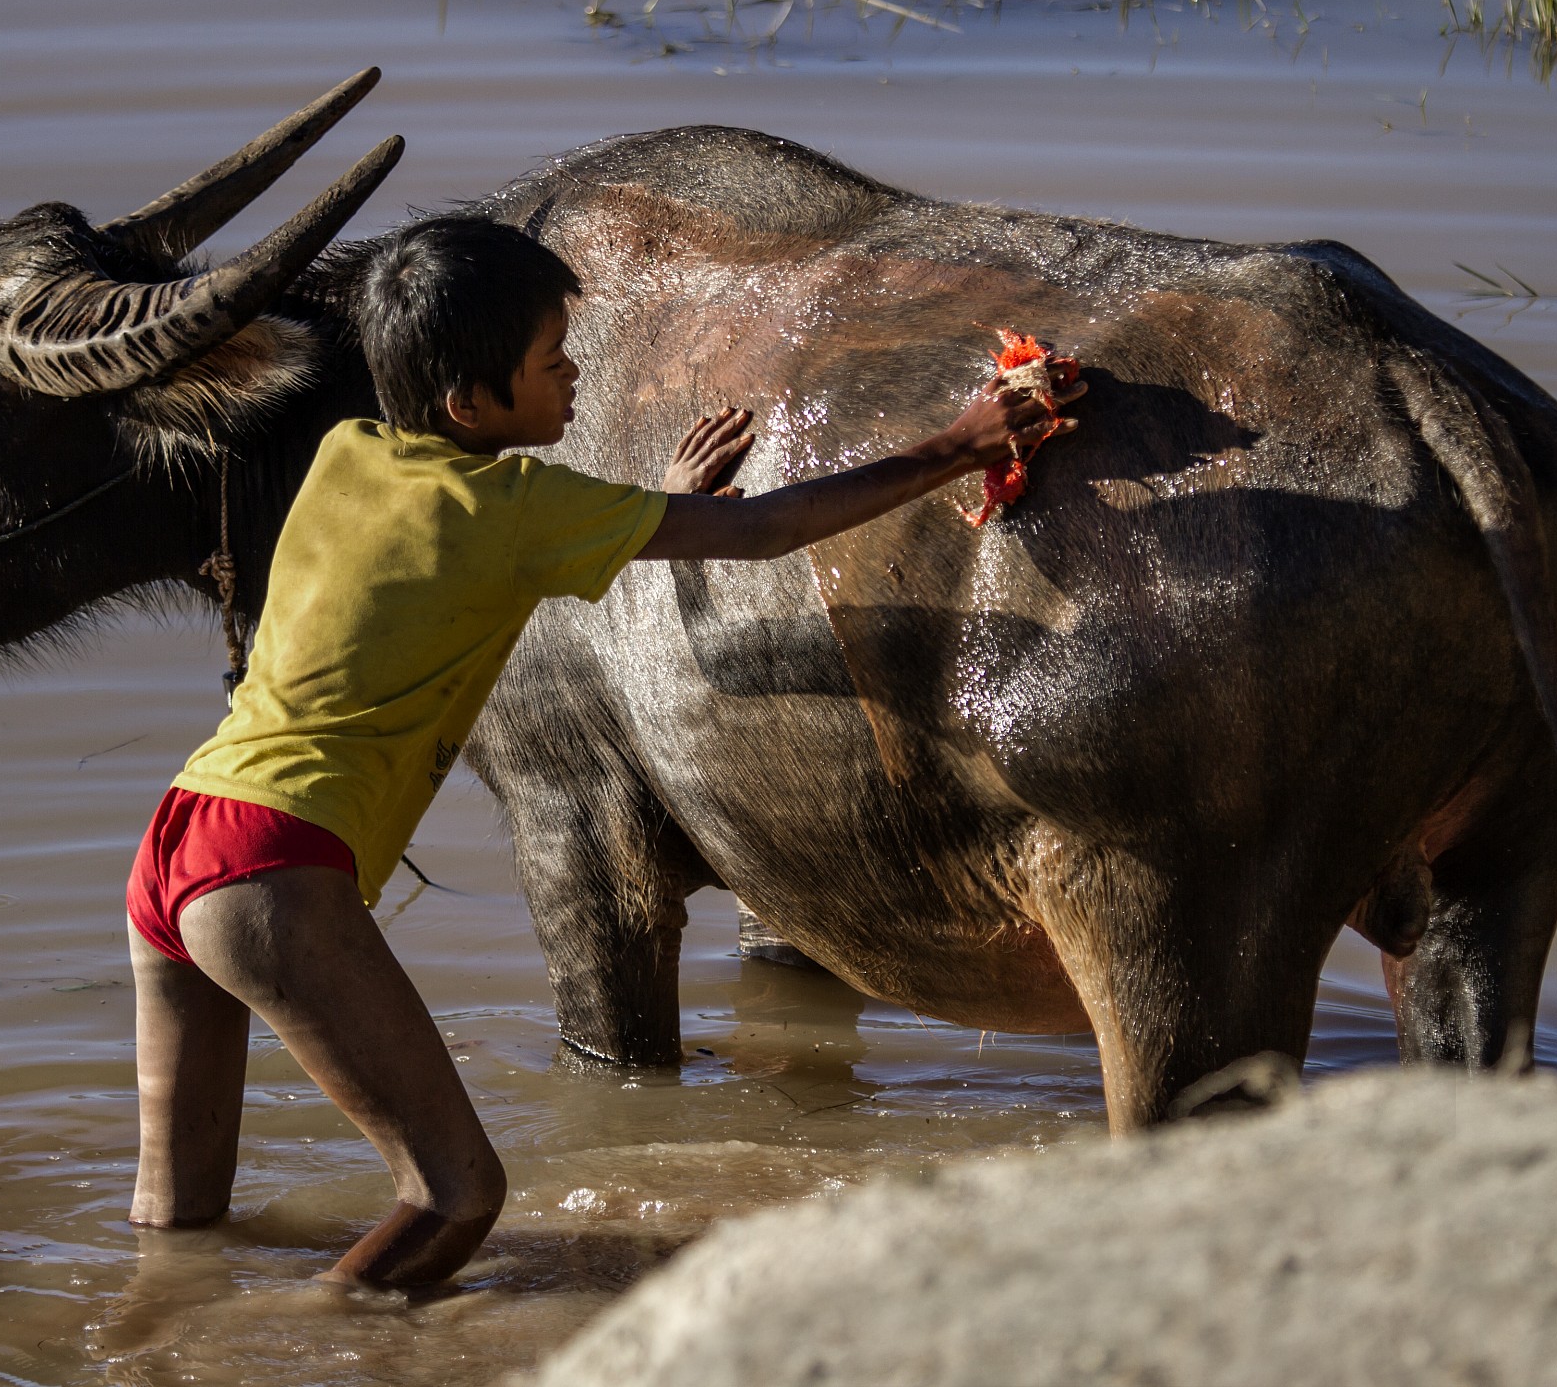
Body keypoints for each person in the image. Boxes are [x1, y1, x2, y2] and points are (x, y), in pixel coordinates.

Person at [123, 216, 1080, 1286]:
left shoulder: (350, 452)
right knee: (456, 1197)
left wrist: (652, 506)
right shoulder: (517, 506)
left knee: (177, 1225)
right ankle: (289, 1347)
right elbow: (764, 534)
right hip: (272, 873)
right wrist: (958, 442)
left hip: (181, 838)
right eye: (549, 362)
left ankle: (161, 1338)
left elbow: (453, 582)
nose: (573, 374)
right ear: (469, 406)